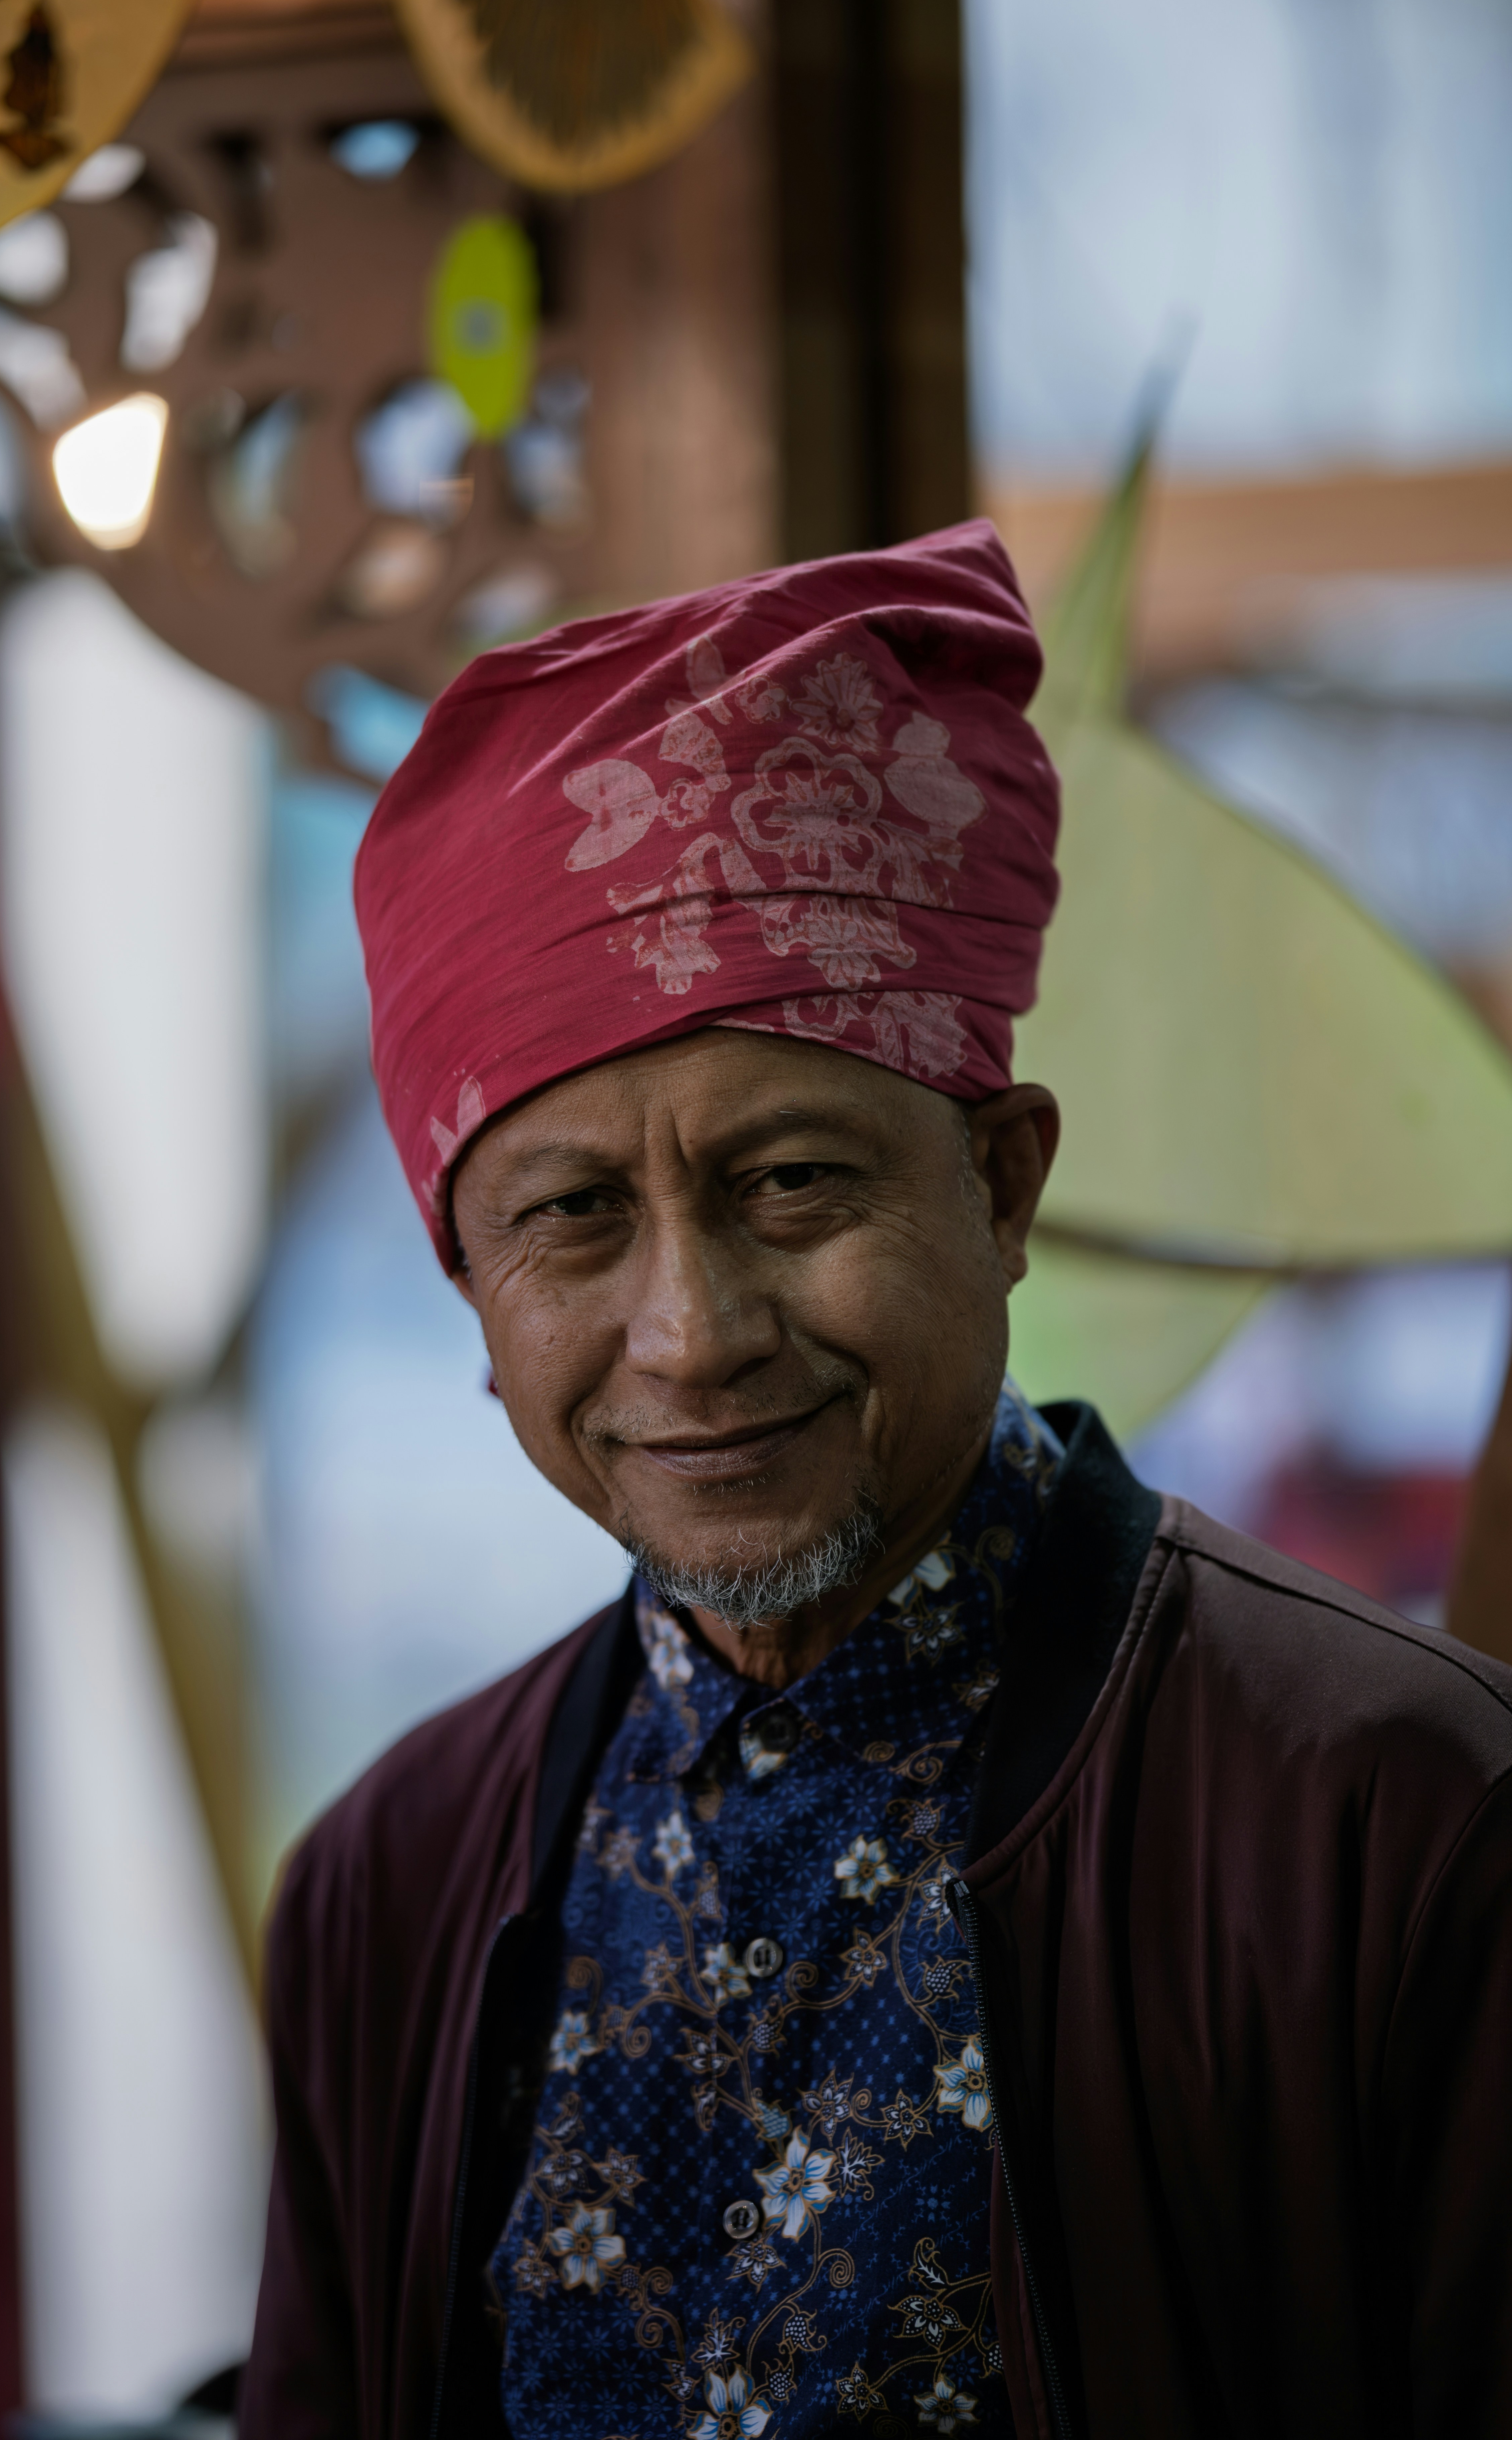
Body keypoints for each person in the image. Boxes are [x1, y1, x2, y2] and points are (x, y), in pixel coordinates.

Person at [240, 526, 1512, 2440]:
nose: (693, 1332)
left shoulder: (1396, 1822)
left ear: (1000, 1185)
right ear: (471, 1288)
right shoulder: (391, 1888)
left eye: (794, 1185)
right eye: (574, 1219)